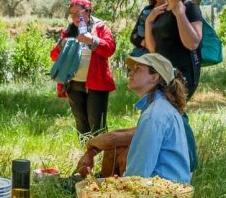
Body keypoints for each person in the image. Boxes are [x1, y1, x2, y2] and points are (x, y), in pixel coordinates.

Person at [76, 53, 191, 184]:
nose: (131, 73)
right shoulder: (160, 106)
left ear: (154, 77)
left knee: (93, 192)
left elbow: (138, 174)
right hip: (172, 188)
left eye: (138, 69)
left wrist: (116, 194)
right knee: (116, 151)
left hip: (163, 195)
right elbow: (118, 137)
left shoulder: (154, 115)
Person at [130, 0, 203, 98]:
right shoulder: (161, 11)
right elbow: (153, 50)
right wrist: (149, 22)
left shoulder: (189, 7)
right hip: (162, 74)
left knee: (171, 111)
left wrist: (180, 15)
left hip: (180, 77)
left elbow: (192, 44)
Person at [50, 0, 116, 142]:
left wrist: (91, 40)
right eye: (71, 14)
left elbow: (110, 49)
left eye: (77, 13)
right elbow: (54, 56)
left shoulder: (100, 27)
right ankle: (85, 158)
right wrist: (62, 44)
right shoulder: (68, 31)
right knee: (81, 124)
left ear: (87, 11)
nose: (74, 17)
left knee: (97, 124)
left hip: (97, 84)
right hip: (73, 84)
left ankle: (101, 158)